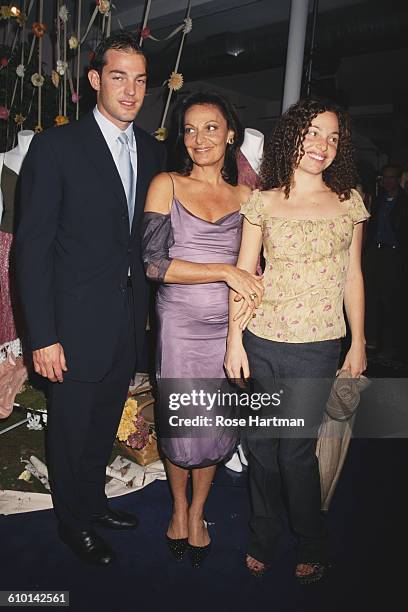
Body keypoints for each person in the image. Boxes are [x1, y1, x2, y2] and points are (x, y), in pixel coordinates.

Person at [16, 32, 166, 566]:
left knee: (103, 422)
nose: (131, 90)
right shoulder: (56, 147)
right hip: (71, 325)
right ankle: (71, 522)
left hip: (127, 321)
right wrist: (44, 336)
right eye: (119, 76)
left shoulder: (153, 151)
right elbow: (30, 251)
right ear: (95, 79)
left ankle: (92, 502)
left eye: (141, 79)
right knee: (71, 428)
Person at [225, 98, 369, 583]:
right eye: (313, 133)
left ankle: (311, 540)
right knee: (262, 446)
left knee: (294, 451)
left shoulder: (348, 201)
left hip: (319, 344)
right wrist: (234, 341)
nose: (322, 145)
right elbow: (245, 275)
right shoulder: (261, 201)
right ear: (293, 137)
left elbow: (353, 276)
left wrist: (359, 341)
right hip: (262, 338)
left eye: (332, 137)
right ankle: (263, 534)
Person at [142, 91, 263, 567]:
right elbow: (154, 264)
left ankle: (198, 512)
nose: (199, 138)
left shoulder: (249, 197)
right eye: (189, 130)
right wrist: (226, 270)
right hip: (180, 323)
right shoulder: (166, 184)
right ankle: (176, 508)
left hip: (230, 327)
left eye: (210, 127)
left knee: (214, 425)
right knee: (181, 425)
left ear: (230, 133)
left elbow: (261, 264)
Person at [363, 164, 408, 359]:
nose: (387, 182)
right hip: (374, 252)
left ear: (398, 179)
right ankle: (371, 339)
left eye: (391, 178)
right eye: (385, 178)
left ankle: (390, 344)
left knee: (390, 299)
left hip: (393, 255)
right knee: (370, 297)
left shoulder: (404, 202)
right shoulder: (377, 200)